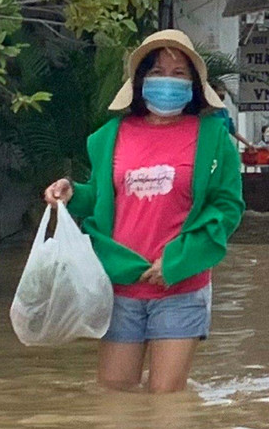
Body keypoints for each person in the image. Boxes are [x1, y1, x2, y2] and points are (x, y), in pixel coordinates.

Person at [43, 30, 244, 393]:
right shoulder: (110, 135)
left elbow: (227, 208)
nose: (168, 80)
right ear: (140, 81)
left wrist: (177, 261)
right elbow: (102, 198)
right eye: (157, 71)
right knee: (114, 393)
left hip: (180, 285)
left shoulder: (214, 138)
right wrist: (71, 193)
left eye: (179, 73)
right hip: (121, 284)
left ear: (194, 85)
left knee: (166, 398)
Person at [211, 82, 249, 150]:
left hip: (223, 146)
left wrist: (248, 144)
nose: (222, 93)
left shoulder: (224, 111)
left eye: (223, 91)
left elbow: (233, 131)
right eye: (219, 90)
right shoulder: (206, 112)